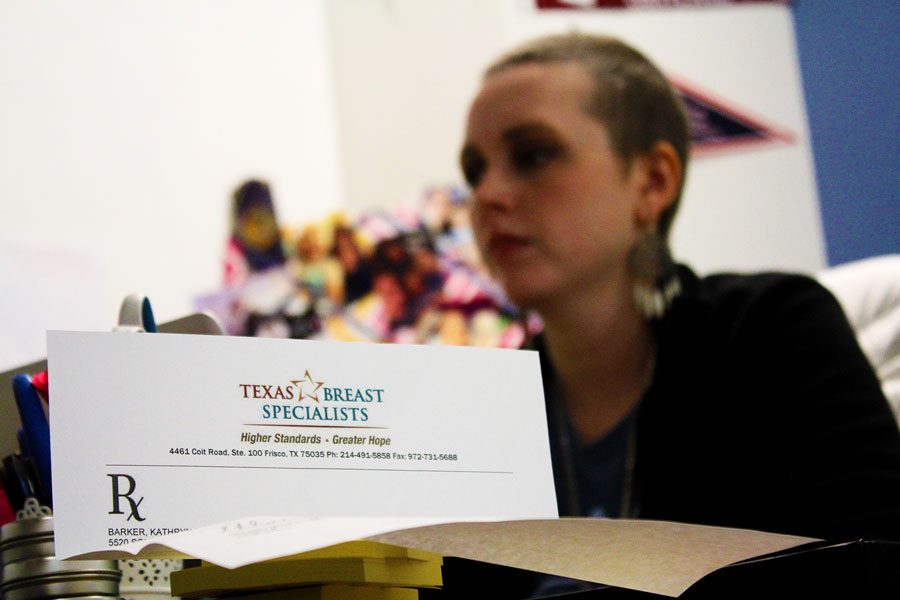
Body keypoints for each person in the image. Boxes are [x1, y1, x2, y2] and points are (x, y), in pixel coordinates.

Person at [460, 32, 900, 551]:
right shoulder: (486, 412)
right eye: (475, 170)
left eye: (533, 155)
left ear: (652, 181)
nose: (486, 195)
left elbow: (874, 567)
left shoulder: (773, 330)